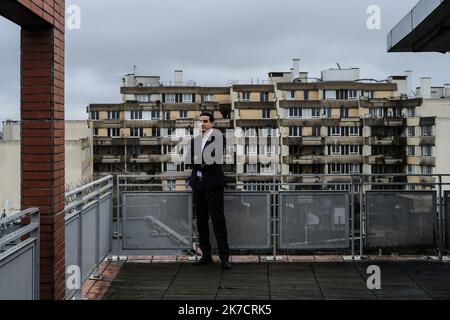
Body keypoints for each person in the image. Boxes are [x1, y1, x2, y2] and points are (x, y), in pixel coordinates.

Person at [187, 112, 231, 270]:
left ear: (212, 123)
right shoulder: (195, 141)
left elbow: (215, 159)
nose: (202, 124)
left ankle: (224, 257)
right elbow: (189, 161)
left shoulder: (219, 138)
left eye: (205, 121)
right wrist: (202, 161)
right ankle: (206, 255)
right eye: (200, 122)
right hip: (198, 185)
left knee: (218, 220)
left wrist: (200, 161)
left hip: (213, 185)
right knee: (201, 221)